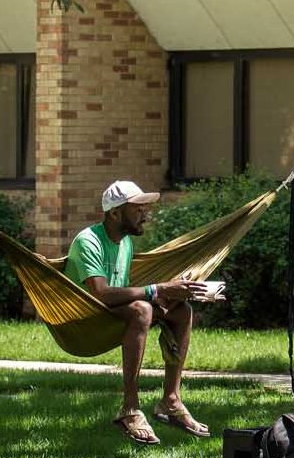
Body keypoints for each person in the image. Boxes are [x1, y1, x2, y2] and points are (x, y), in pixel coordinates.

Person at [65, 180, 210, 444]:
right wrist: (156, 290)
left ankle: (171, 399)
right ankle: (130, 408)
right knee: (144, 308)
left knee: (181, 310)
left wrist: (168, 296)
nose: (146, 214)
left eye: (145, 208)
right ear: (115, 213)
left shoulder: (125, 243)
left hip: (113, 312)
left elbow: (125, 292)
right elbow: (100, 294)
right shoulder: (88, 241)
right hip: (85, 319)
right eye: (138, 209)